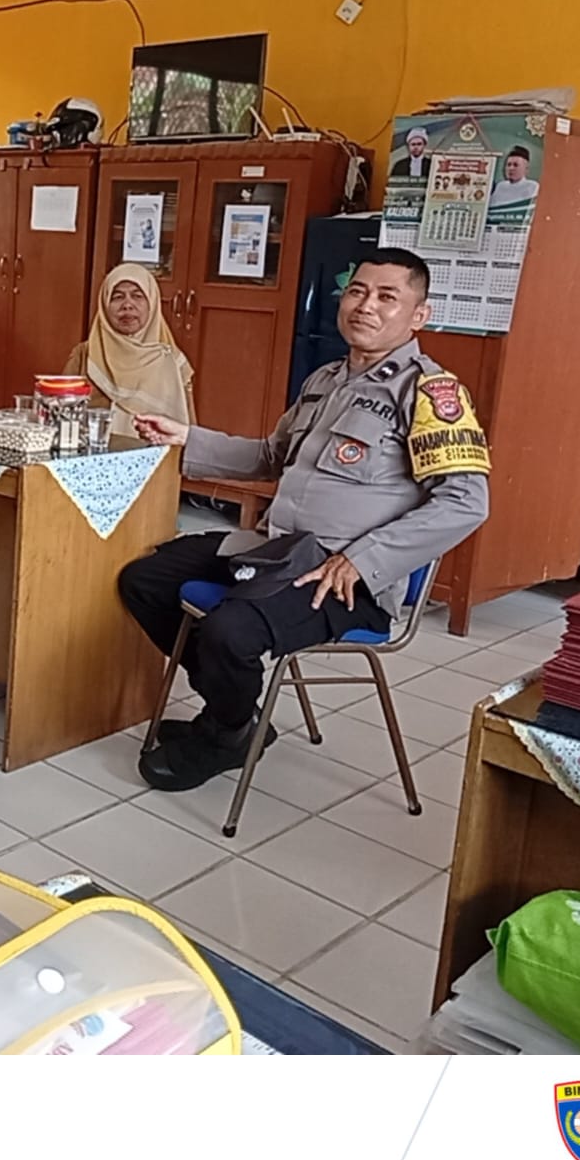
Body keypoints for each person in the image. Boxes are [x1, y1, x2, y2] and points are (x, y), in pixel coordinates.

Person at [119, 247, 490, 791]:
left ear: (419, 316)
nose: (366, 305)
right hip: (277, 549)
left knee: (230, 631)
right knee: (146, 580)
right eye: (358, 291)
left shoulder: (430, 393)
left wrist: (361, 561)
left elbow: (466, 502)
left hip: (344, 577)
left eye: (387, 297)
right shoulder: (325, 379)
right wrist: (187, 438)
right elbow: (271, 456)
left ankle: (223, 734)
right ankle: (235, 715)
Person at [63, 262, 193, 437]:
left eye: (137, 296)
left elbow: (189, 432)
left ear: (152, 304)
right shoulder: (85, 355)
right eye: (117, 297)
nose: (127, 305)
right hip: (95, 450)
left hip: (156, 450)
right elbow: (62, 414)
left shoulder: (173, 361)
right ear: (104, 305)